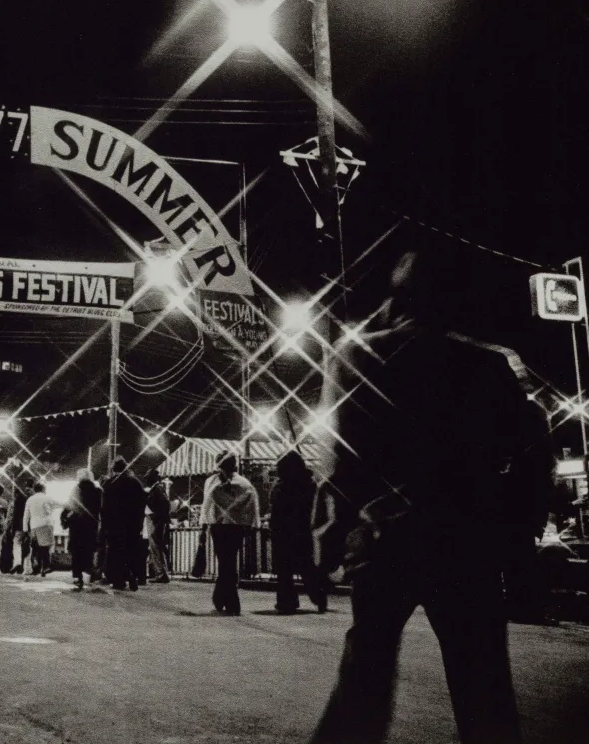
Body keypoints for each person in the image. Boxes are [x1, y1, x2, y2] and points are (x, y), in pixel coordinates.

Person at [308, 250, 553, 744]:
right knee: (482, 679)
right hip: (465, 542)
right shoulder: (488, 364)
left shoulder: (358, 357)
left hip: (384, 541)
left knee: (365, 677)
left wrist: (329, 538)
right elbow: (526, 452)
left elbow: (345, 462)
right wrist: (520, 537)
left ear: (397, 297)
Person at [200, 450, 259, 615]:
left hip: (218, 527)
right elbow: (250, 508)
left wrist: (203, 529)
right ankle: (225, 598)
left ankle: (225, 598)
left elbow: (206, 507)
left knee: (224, 562)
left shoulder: (211, 482)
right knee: (229, 561)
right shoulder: (245, 483)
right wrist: (249, 525)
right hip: (235, 528)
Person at [270, 450, 326, 614]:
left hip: (286, 531)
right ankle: (318, 596)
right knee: (305, 567)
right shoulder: (309, 484)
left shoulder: (283, 487)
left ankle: (287, 601)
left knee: (286, 569)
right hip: (301, 531)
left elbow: (277, 509)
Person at [101, 457, 147, 591]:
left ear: (113, 469)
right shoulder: (135, 483)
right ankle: (132, 576)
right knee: (131, 551)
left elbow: (104, 508)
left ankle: (119, 580)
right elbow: (141, 504)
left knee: (116, 552)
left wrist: (105, 525)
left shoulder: (109, 484)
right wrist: (139, 523)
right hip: (132, 524)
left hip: (114, 524)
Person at [62, 468, 102, 591]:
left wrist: (64, 519)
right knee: (88, 550)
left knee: (76, 552)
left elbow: (68, 507)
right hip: (90, 525)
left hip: (76, 525)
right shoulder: (97, 491)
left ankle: (77, 576)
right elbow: (101, 508)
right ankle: (90, 571)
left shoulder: (75, 490)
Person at [144, 470, 172, 584]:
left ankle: (160, 573)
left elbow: (165, 503)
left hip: (156, 521)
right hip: (158, 521)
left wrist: (157, 517)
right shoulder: (158, 488)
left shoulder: (157, 488)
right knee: (158, 547)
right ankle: (162, 573)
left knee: (155, 547)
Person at [22, 481, 55, 576]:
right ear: (43, 489)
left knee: (35, 547)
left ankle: (37, 566)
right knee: (45, 547)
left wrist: (25, 529)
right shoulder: (47, 498)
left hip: (34, 526)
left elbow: (26, 516)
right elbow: (58, 504)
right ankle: (45, 567)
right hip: (46, 524)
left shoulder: (30, 500)